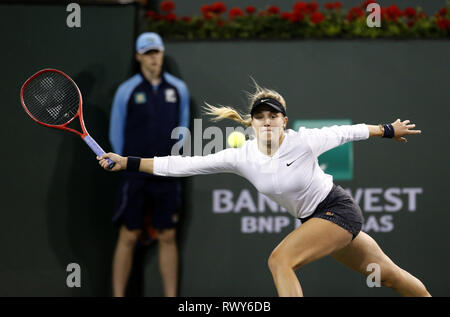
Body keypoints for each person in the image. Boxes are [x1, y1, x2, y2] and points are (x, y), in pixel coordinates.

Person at [101, 83, 430, 297]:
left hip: (337, 210)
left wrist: (388, 130)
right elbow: (181, 165)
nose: (268, 120)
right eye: (261, 117)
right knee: (387, 276)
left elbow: (349, 131)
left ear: (284, 121)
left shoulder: (304, 142)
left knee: (279, 260)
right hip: (316, 220)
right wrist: (127, 162)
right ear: (253, 123)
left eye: (274, 115)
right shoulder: (241, 156)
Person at [109, 32, 190, 297]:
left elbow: (183, 130)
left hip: (167, 172)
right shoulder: (127, 91)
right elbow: (116, 132)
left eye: (157, 52)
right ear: (138, 57)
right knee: (129, 235)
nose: (154, 58)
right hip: (134, 174)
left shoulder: (178, 89)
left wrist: (177, 163)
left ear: (162, 54)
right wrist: (123, 163)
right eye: (148, 53)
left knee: (167, 235)